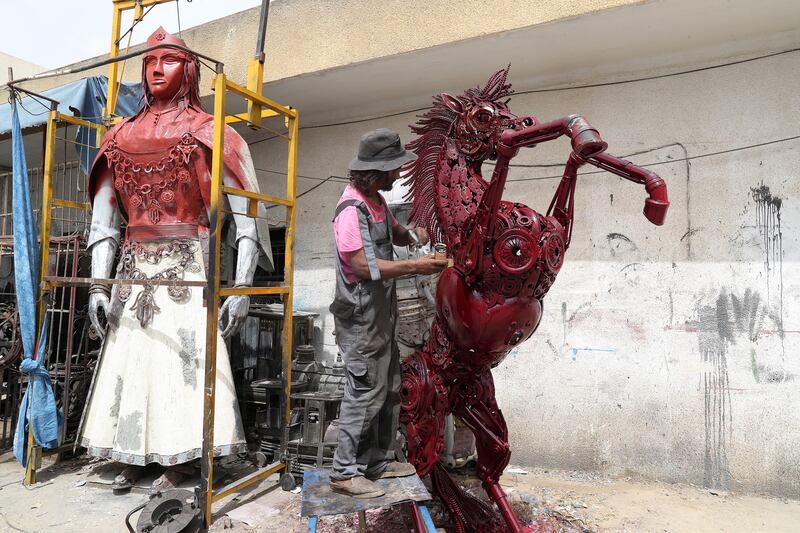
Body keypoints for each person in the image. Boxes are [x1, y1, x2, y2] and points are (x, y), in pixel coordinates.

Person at [78, 27, 273, 494]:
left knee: (181, 364)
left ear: (188, 68)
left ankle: (183, 458)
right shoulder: (118, 137)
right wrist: (98, 286)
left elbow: (247, 217)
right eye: (149, 61)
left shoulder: (214, 133)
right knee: (135, 360)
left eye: (167, 59)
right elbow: (104, 221)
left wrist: (242, 287)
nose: (156, 68)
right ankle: (135, 450)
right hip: (132, 269)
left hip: (189, 266)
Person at [328, 128, 448, 498]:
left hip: (382, 315)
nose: (397, 175)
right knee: (364, 391)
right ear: (373, 172)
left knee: (390, 387)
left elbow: (395, 233)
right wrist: (418, 267)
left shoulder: (376, 202)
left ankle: (378, 461)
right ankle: (345, 472)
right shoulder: (351, 210)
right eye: (392, 170)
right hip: (361, 317)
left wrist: (417, 237)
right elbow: (363, 266)